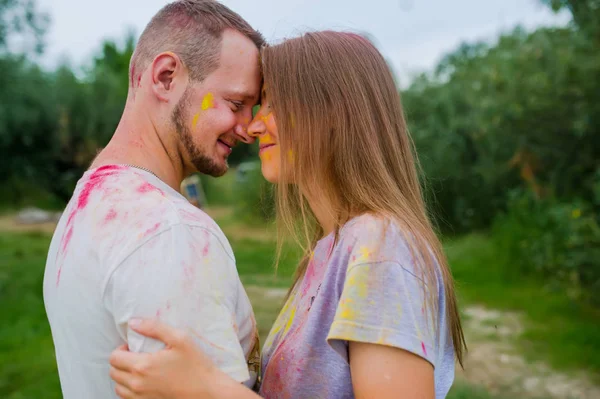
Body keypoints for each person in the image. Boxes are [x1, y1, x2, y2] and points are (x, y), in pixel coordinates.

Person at [108, 31, 467, 399]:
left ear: (334, 111)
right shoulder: (334, 247)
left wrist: (206, 389)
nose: (253, 126)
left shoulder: (381, 249)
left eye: (273, 105)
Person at [42, 1, 265, 398]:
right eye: (236, 104)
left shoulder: (89, 203)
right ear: (165, 77)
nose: (249, 129)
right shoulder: (168, 230)